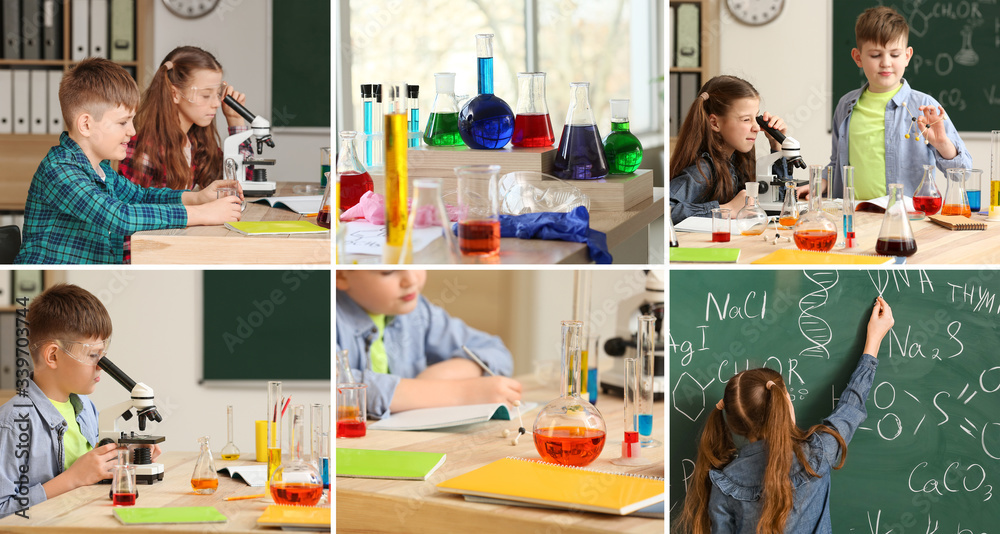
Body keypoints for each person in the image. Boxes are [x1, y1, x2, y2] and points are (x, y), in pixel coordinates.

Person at [674, 296, 895, 533]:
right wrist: (873, 341)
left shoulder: (725, 483)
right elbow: (852, 406)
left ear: (734, 423)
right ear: (783, 401)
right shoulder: (817, 455)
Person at [15, 57, 242, 264]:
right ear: (85, 125)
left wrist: (197, 198)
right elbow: (120, 216)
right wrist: (203, 214)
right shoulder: (59, 170)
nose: (132, 131)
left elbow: (140, 196)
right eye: (123, 122)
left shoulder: (100, 170)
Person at [0, 284, 161, 518]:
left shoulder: (85, 408)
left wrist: (126, 454)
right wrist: (72, 479)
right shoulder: (13, 424)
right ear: (53, 355)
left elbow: (89, 469)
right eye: (93, 355)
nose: (101, 366)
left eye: (103, 356)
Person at [821, 6, 971, 201]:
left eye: (894, 55)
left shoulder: (924, 106)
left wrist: (942, 144)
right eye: (875, 55)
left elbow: (964, 172)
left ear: (907, 56)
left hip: (907, 221)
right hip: (854, 217)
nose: (886, 63)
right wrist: (821, 182)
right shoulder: (845, 105)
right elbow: (836, 163)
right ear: (858, 58)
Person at [335, 270, 521, 419]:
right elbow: (334, 387)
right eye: (388, 271)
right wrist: (459, 393)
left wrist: (442, 375)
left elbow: (497, 351)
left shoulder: (418, 312)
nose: (411, 280)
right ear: (341, 275)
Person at [119, 46, 253, 190]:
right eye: (206, 95)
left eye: (218, 93)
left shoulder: (195, 144)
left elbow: (239, 181)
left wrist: (235, 120)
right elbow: (132, 208)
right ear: (175, 94)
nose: (216, 104)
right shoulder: (144, 150)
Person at [670, 75, 790, 224]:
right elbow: (665, 211)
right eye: (746, 119)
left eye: (756, 117)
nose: (757, 127)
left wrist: (776, 146)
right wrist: (726, 209)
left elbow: (780, 205)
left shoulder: (737, 161)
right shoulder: (703, 171)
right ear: (714, 123)